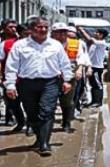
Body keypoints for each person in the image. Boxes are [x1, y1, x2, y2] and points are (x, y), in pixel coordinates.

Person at [5, 17, 73, 155]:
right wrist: (10, 85)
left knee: (47, 111)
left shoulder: (55, 45)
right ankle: (39, 138)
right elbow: (11, 66)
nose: (43, 30)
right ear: (30, 29)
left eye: (45, 27)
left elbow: (65, 64)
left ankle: (44, 144)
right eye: (39, 27)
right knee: (32, 114)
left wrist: (67, 80)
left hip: (50, 83)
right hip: (27, 84)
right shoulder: (20, 45)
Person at [51, 23, 88, 133]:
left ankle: (66, 122)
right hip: (50, 76)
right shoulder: (46, 44)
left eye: (64, 31)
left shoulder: (75, 44)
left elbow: (81, 57)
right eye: (59, 32)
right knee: (48, 101)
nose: (63, 34)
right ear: (53, 33)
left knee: (67, 101)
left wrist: (79, 69)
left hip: (68, 76)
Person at [0, 19, 26, 132]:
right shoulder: (6, 44)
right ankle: (20, 122)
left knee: (30, 103)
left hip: (28, 80)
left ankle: (30, 125)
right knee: (13, 103)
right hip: (10, 79)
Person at [78, 27, 108, 107]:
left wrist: (82, 30)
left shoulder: (101, 43)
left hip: (96, 67)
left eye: (97, 32)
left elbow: (89, 40)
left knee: (97, 85)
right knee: (92, 84)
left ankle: (97, 102)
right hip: (90, 66)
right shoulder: (94, 43)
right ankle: (93, 101)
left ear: (101, 35)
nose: (95, 34)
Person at [67, 28, 91, 116]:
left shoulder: (80, 43)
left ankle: (75, 108)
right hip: (63, 72)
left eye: (72, 33)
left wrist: (88, 67)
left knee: (78, 91)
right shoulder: (59, 44)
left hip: (77, 71)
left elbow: (84, 56)